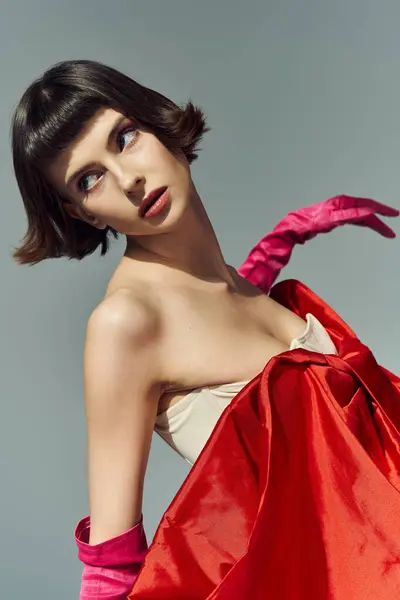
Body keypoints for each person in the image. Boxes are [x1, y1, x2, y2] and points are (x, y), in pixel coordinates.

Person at [11, 60, 400, 600]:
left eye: (124, 137)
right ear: (81, 212)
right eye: (90, 179)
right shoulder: (126, 324)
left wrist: (283, 240)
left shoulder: (238, 288)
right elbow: (110, 563)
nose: (128, 180)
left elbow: (271, 380)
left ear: (156, 122)